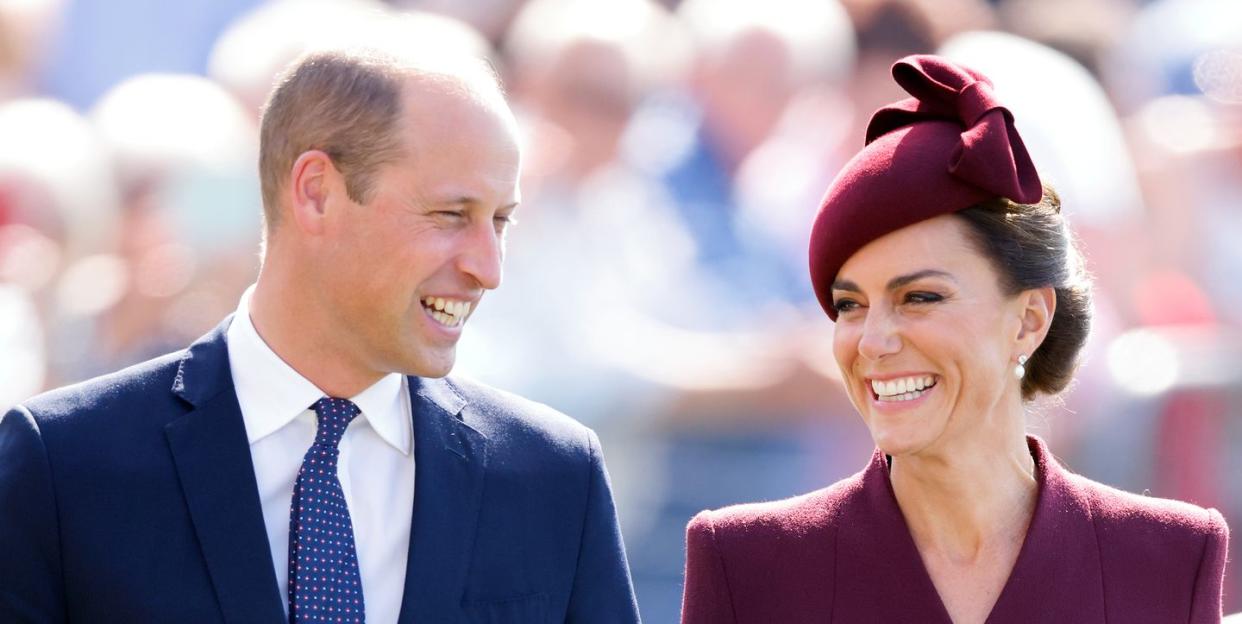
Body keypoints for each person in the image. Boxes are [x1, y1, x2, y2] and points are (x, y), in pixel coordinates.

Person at [0, 43, 640, 623]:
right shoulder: (64, 464)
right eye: (451, 214)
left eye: (500, 221)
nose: (488, 269)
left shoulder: (553, 475)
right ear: (315, 193)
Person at [681, 55, 1229, 623]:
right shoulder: (748, 564)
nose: (872, 341)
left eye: (920, 297)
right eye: (850, 305)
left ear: (1030, 320)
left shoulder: (1167, 558)